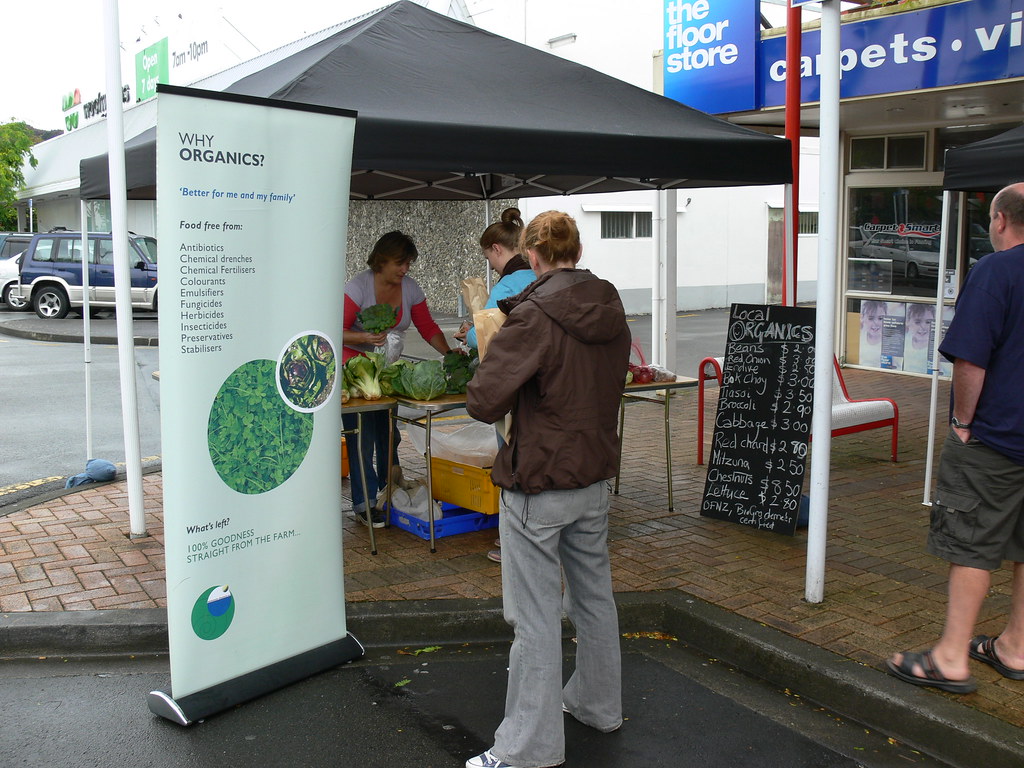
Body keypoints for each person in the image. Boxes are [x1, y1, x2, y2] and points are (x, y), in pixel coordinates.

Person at [465, 211, 630, 768]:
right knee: (593, 599)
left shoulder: (533, 315)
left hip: (539, 480)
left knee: (533, 618)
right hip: (593, 476)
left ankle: (526, 749)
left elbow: (484, 400)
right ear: (575, 251)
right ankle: (598, 705)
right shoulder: (610, 304)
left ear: (532, 256)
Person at [887, 182, 1024, 694]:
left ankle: (950, 657)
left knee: (972, 541)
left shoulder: (995, 271)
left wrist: (963, 422)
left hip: (996, 440)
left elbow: (971, 358)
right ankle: (1015, 646)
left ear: (1002, 221)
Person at [343, 231, 451, 527]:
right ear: (381, 260)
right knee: (362, 436)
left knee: (388, 431)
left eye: (408, 264)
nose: (405, 270)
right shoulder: (357, 288)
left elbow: (427, 326)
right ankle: (363, 503)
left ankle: (387, 488)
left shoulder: (411, 288)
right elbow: (332, 329)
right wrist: (364, 337)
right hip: (356, 372)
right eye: (399, 263)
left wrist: (450, 353)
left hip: (387, 369)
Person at [454, 207, 535, 565]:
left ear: (497, 250)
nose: (491, 266)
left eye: (489, 258)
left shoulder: (507, 284)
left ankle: (513, 541)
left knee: (512, 456)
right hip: (541, 381)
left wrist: (466, 333)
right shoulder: (540, 274)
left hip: (513, 383)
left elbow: (486, 332)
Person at [903, 302, 936, 374]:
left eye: (928, 322)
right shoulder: (903, 342)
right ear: (908, 322)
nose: (923, 327)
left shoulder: (936, 347)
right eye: (917, 322)